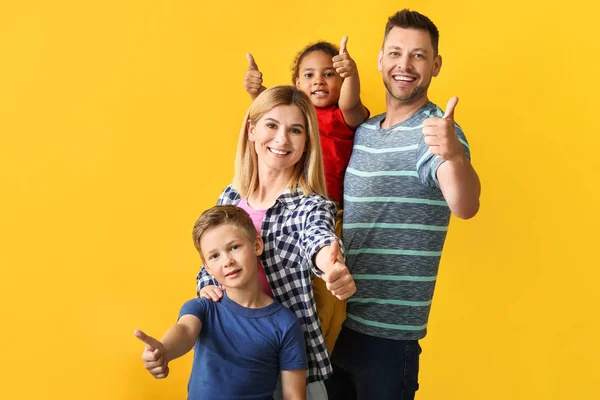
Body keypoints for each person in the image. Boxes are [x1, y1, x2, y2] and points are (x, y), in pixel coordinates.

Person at [326, 9, 481, 400]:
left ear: (436, 65)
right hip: (336, 322)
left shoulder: (437, 132)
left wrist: (455, 157)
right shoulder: (363, 131)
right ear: (380, 59)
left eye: (418, 55)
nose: (405, 65)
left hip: (389, 340)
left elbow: (465, 205)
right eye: (395, 53)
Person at [197, 85, 357, 399]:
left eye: (295, 130)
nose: (282, 139)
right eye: (272, 125)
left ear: (307, 141)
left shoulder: (311, 206)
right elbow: (208, 260)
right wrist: (205, 284)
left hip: (285, 372)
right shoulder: (230, 198)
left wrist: (330, 264)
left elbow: (319, 239)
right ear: (252, 129)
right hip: (228, 362)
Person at [243, 38, 369, 353]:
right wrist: (256, 93)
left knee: (325, 294)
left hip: (327, 213)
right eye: (309, 75)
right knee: (279, 283)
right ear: (297, 84)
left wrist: (351, 73)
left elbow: (352, 103)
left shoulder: (343, 116)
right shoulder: (295, 119)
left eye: (330, 74)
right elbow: (273, 118)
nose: (319, 81)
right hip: (286, 207)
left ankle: (320, 352)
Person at [134, 205, 307, 400]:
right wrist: (164, 350)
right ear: (207, 267)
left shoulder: (285, 323)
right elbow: (185, 331)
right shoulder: (203, 307)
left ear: (257, 245)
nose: (227, 261)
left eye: (234, 247)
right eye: (215, 256)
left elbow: (294, 395)